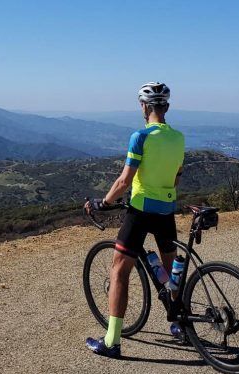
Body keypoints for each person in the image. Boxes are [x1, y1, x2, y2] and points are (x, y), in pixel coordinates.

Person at [85, 82, 185, 358]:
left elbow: (124, 180)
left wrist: (103, 203)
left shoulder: (140, 137)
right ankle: (179, 323)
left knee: (119, 271)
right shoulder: (178, 138)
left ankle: (112, 341)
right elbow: (176, 177)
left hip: (141, 211)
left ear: (144, 106)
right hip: (167, 210)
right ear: (166, 106)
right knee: (171, 272)